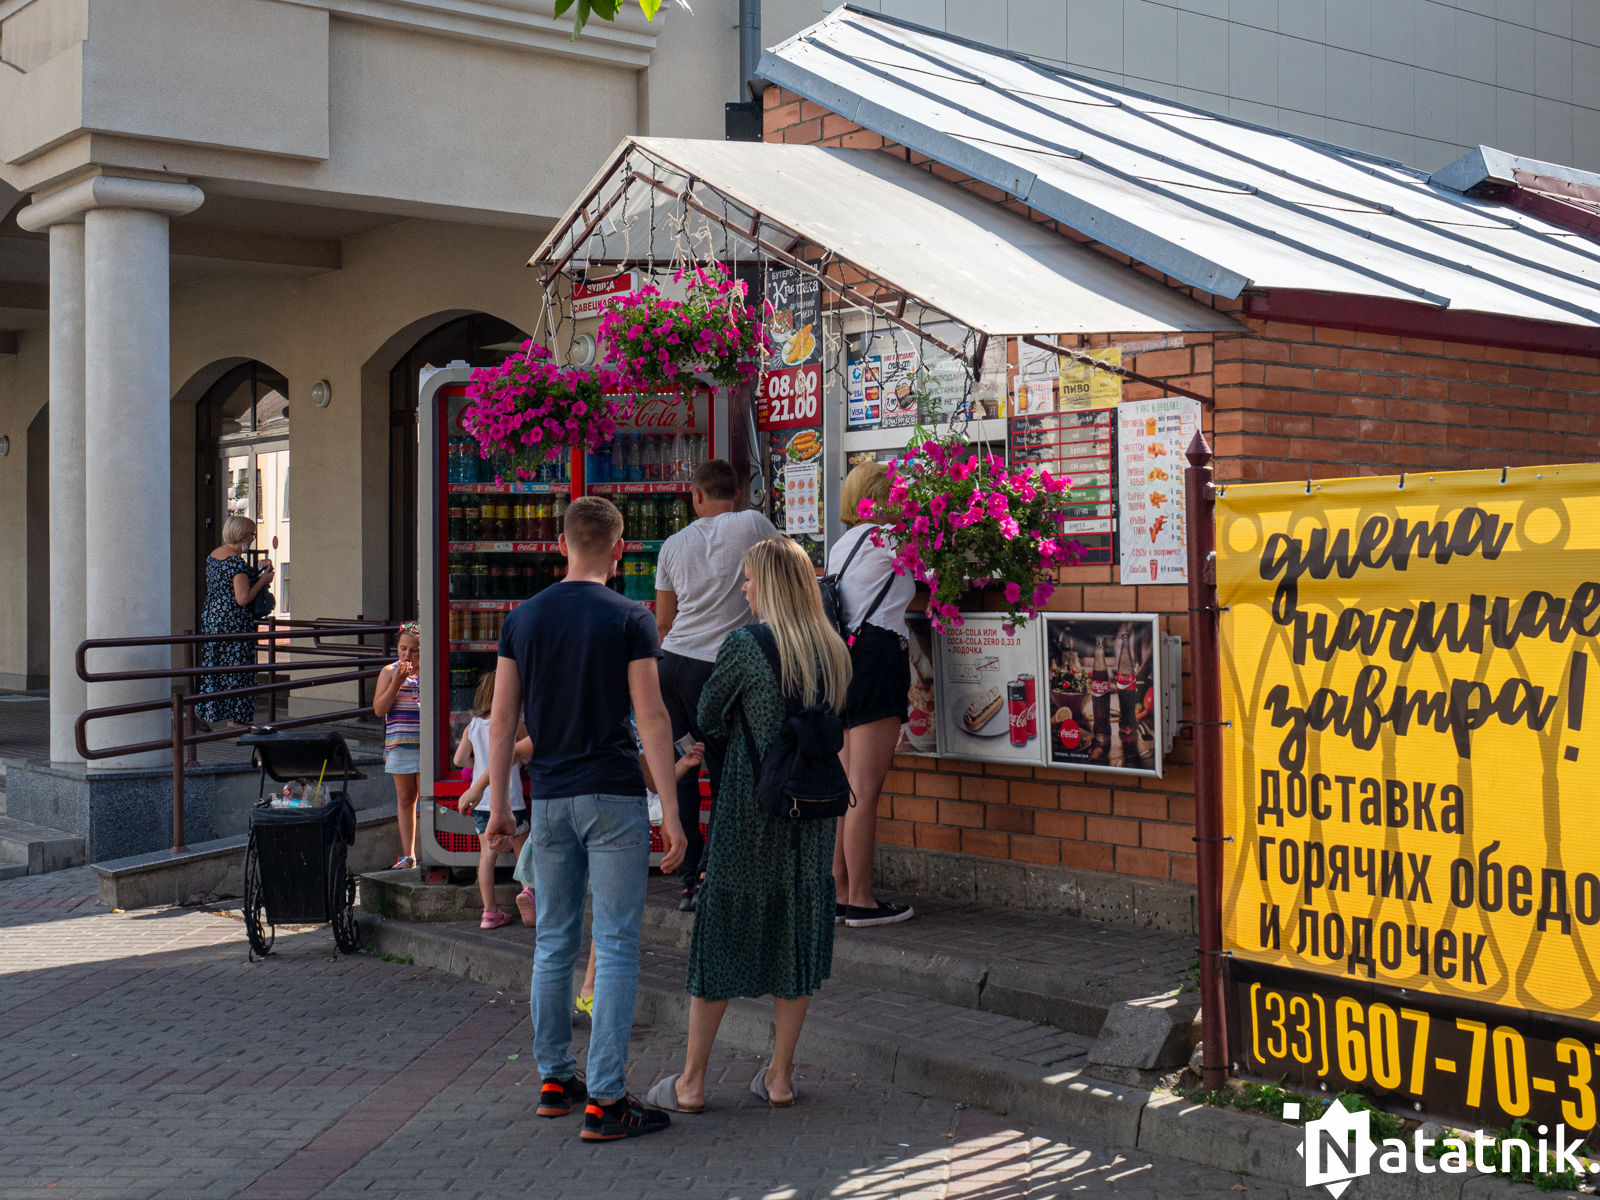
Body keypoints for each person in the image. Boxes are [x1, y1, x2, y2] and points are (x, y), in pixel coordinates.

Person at [484, 495, 687, 1142]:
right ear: (620, 548)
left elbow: (502, 719)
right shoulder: (631, 618)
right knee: (619, 943)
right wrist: (673, 814)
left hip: (549, 799)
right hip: (612, 796)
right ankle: (606, 1099)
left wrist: (497, 805)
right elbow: (652, 718)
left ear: (562, 543)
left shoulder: (524, 618)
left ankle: (554, 1079)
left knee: (552, 942)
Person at [647, 538, 851, 1114]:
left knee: (722, 934)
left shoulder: (744, 645)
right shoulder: (833, 649)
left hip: (749, 808)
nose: (743, 589)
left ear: (770, 586)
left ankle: (691, 1082)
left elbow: (709, 716)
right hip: (810, 816)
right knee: (796, 931)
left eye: (749, 580)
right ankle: (780, 1077)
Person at [654, 458, 780, 911]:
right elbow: (783, 571)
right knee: (729, 773)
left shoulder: (672, 544)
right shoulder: (753, 522)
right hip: (722, 672)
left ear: (697, 496)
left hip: (674, 670)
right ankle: (712, 871)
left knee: (684, 771)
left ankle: (687, 878)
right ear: (739, 494)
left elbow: (664, 622)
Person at [827, 461, 916, 928]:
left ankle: (842, 892)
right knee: (865, 789)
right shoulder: (892, 541)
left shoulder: (845, 542)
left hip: (843, 660)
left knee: (847, 790)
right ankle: (861, 899)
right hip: (878, 658)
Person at [575, 731, 703, 1016]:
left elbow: (653, 782)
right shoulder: (615, 731)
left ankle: (586, 990)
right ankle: (592, 993)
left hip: (599, 823)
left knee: (601, 914)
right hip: (613, 830)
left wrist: (684, 763)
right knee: (610, 916)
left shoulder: (623, 736)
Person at [453, 670, 532, 929]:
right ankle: (529, 893)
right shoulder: (516, 725)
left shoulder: (473, 725)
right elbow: (528, 756)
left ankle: (489, 912)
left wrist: (478, 764)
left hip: (482, 803)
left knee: (487, 856)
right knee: (523, 850)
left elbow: (459, 760)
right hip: (511, 801)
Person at [195, 514, 273, 730]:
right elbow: (243, 598)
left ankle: (199, 712)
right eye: (252, 534)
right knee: (239, 671)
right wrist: (263, 581)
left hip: (213, 622)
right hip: (234, 625)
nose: (254, 538)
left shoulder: (214, 556)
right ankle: (237, 720)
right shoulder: (235, 562)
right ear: (243, 536)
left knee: (215, 668)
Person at [374, 622, 422, 870]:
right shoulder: (388, 672)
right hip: (400, 744)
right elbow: (379, 709)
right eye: (403, 648)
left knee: (428, 798)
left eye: (414, 650)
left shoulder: (430, 669)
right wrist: (397, 681)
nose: (407, 655)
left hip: (426, 746)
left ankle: (431, 854)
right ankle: (408, 855)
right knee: (405, 799)